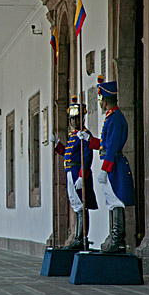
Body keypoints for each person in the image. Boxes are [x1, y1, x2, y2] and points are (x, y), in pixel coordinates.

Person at [78, 80, 134, 253]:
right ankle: (114, 238)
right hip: (111, 164)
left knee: (116, 201)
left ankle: (118, 240)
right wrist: (89, 139)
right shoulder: (111, 117)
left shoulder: (115, 117)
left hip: (114, 165)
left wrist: (105, 169)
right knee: (111, 201)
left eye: (101, 99)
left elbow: (112, 146)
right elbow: (104, 144)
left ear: (106, 99)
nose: (100, 103)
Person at [51, 95, 99, 250]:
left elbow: (87, 157)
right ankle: (77, 236)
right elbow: (67, 153)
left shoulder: (84, 135)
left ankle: (82, 237)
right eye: (71, 119)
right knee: (76, 205)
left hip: (78, 172)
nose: (73, 122)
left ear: (81, 119)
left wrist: (81, 176)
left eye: (75, 119)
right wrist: (58, 145)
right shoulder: (73, 136)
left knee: (82, 205)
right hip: (70, 171)